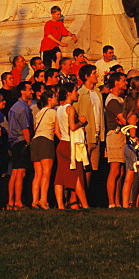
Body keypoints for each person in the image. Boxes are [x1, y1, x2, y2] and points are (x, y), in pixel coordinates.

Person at [54, 82, 89, 210]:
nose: (77, 93)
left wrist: (63, 138)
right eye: (75, 91)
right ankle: (85, 205)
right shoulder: (70, 109)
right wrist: (81, 122)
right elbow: (72, 127)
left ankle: (60, 205)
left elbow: (56, 130)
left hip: (62, 142)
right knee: (77, 175)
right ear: (69, 93)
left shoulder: (59, 109)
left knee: (60, 176)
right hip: (71, 145)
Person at [76, 65, 105, 201]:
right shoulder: (80, 94)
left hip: (97, 134)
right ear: (87, 76)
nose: (96, 76)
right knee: (83, 167)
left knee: (92, 168)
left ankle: (87, 195)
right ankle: (80, 197)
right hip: (86, 134)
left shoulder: (98, 93)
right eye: (94, 73)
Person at [6, 79, 33, 210]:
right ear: (22, 92)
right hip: (21, 141)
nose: (31, 92)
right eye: (29, 89)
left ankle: (11, 201)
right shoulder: (23, 108)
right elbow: (25, 128)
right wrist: (29, 143)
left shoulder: (14, 107)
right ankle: (18, 201)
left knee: (15, 173)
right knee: (21, 173)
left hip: (13, 141)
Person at [31, 87, 58, 210]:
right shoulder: (53, 112)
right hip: (46, 140)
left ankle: (34, 200)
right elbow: (56, 130)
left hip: (35, 141)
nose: (57, 99)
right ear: (50, 99)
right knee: (47, 173)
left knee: (38, 174)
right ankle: (43, 200)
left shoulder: (39, 112)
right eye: (55, 97)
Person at [104, 72, 128, 208]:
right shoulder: (112, 100)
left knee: (121, 171)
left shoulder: (120, 99)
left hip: (122, 136)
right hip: (115, 135)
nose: (125, 83)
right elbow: (123, 119)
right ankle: (112, 202)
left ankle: (118, 201)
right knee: (114, 169)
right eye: (123, 80)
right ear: (116, 82)